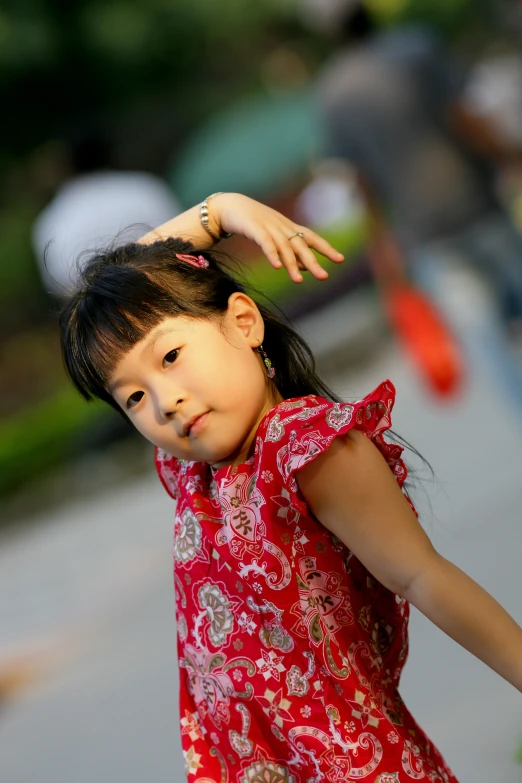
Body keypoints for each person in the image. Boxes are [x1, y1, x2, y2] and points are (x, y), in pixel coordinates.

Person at [59, 192, 522, 781]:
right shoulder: (193, 470)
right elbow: (107, 294)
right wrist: (218, 216)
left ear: (243, 322)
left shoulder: (303, 449)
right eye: (133, 397)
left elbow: (423, 577)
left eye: (171, 355)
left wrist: (226, 210)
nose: (164, 400)